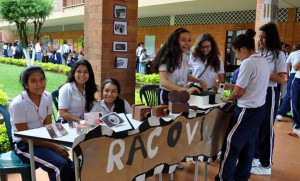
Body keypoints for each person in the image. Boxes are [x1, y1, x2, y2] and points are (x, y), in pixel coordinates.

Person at [215, 33, 270, 181]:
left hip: (246, 110)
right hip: (259, 109)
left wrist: (226, 99)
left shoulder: (247, 63)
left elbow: (239, 91)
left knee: (230, 143)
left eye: (236, 53)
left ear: (243, 49)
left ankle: (224, 177)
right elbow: (250, 86)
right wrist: (230, 86)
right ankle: (241, 176)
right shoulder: (262, 61)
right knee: (248, 143)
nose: (237, 57)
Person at [9, 66, 75, 181]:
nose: (39, 84)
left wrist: (62, 138)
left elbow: (48, 124)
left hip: (43, 140)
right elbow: (25, 137)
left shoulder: (47, 96)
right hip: (24, 145)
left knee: (72, 165)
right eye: (33, 81)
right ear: (26, 85)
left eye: (42, 79)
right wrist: (54, 146)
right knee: (59, 166)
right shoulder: (18, 104)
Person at [251, 22, 287, 175]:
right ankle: (257, 157)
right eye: (259, 37)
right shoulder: (260, 53)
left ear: (271, 38)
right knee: (257, 126)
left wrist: (263, 72)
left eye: (264, 37)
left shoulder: (279, 54)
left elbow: (281, 79)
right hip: (257, 92)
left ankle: (266, 165)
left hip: (270, 93)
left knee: (266, 128)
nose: (261, 40)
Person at [153, 27, 207, 105]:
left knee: (181, 116)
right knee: (168, 116)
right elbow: (164, 82)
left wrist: (199, 81)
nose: (187, 43)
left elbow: (184, 74)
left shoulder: (185, 56)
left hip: (180, 93)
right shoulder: (166, 57)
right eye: (183, 40)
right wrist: (185, 91)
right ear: (175, 41)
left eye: (189, 40)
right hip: (167, 95)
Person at [277, 43, 300, 120]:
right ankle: (281, 112)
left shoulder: (293, 53)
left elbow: (287, 64)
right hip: (295, 75)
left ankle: (288, 111)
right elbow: (291, 65)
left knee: (291, 94)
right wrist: (287, 75)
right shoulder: (295, 54)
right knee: (290, 93)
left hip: (293, 75)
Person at [291, 53, 300, 136]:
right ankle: (297, 126)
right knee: (296, 103)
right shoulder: (298, 54)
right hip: (298, 80)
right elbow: (295, 67)